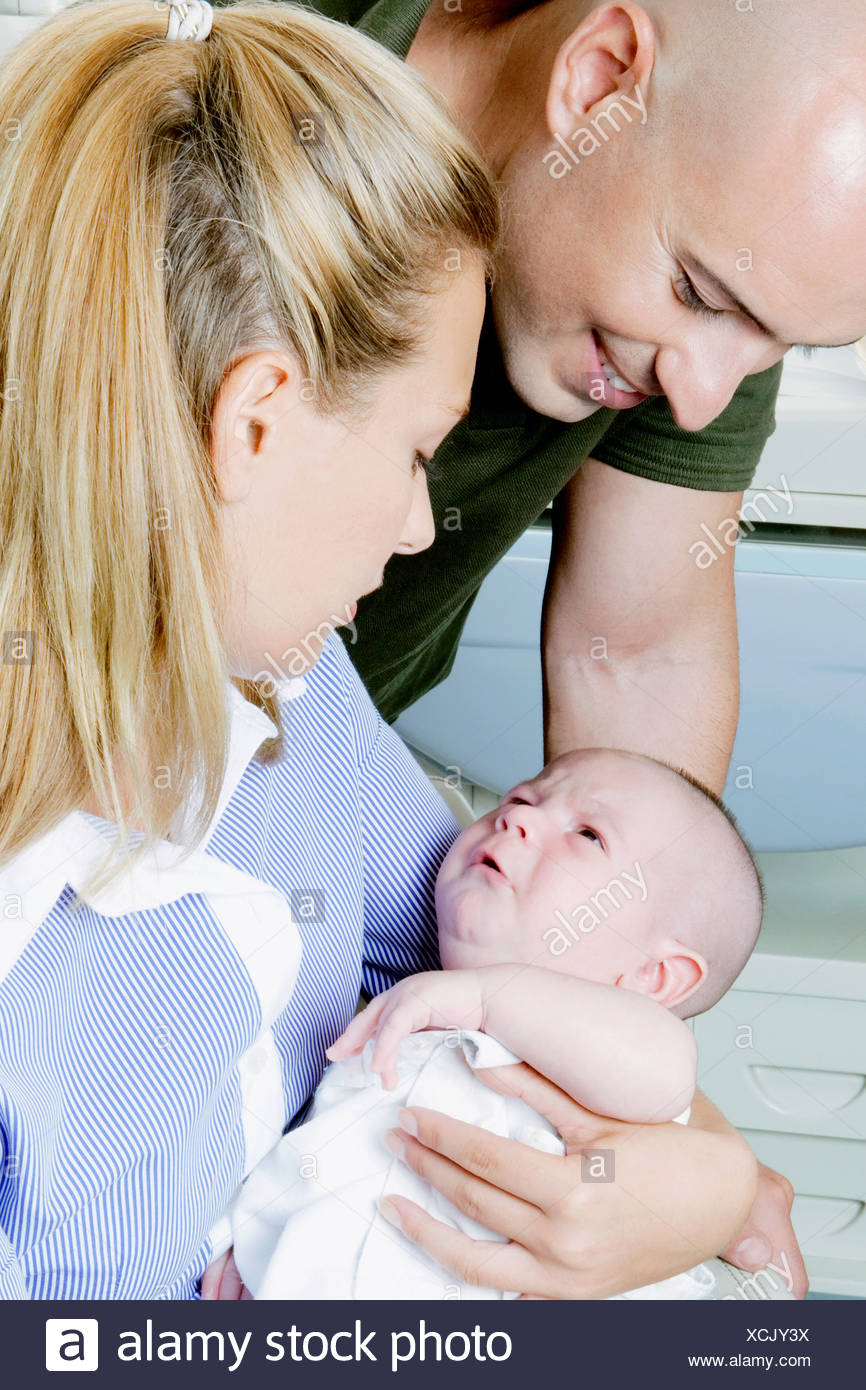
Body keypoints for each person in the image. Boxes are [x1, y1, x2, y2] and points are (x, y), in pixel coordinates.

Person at [208, 0, 866, 1296]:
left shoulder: (709, 265)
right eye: (699, 296)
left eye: (774, 344)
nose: (702, 395)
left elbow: (636, 646)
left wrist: (641, 1114)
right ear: (600, 76)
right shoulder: (235, 103)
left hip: (310, 771)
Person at [0, 0, 495, 1298]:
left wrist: (690, 1160)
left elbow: (485, 942)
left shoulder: (292, 681)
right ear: (256, 422)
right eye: (415, 450)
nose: (409, 527)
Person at [225, 747, 793, 1300]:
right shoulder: (395, 1010)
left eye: (588, 835)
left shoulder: (629, 1045)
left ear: (654, 978)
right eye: (522, 796)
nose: (517, 815)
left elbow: (664, 1075)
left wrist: (486, 997)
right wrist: (246, 1238)